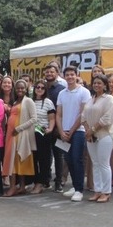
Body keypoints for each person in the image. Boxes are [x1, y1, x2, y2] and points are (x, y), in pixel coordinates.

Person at [55, 66, 91, 202]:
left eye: (72, 74)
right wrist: (61, 131)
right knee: (68, 160)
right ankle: (75, 186)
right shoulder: (62, 93)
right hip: (64, 132)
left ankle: (79, 189)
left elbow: (83, 114)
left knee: (77, 159)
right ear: (64, 76)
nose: (70, 77)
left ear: (77, 75)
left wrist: (71, 130)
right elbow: (58, 114)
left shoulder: (84, 92)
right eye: (67, 75)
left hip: (78, 132)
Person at [81, 74, 113, 203]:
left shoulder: (109, 99)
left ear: (105, 85)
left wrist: (93, 130)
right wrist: (87, 130)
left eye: (99, 83)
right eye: (95, 83)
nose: (97, 85)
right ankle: (98, 190)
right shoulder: (91, 99)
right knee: (95, 163)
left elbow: (107, 118)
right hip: (91, 136)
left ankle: (106, 192)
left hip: (104, 135)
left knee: (103, 164)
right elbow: (83, 116)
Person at [1, 80, 37, 197]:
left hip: (19, 135)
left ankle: (13, 187)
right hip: (11, 135)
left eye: (22, 88)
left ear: (26, 89)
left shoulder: (28, 101)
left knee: (16, 161)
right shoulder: (15, 101)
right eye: (18, 88)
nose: (20, 90)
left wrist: (19, 128)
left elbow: (33, 119)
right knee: (15, 161)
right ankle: (21, 187)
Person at [44, 64, 67, 192]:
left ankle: (59, 182)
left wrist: (61, 128)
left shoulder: (61, 89)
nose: (49, 74)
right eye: (47, 72)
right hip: (43, 128)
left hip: (58, 128)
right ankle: (45, 180)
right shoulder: (41, 87)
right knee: (46, 156)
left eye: (52, 72)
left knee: (59, 156)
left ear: (57, 73)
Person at [30, 80, 56, 194]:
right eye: (37, 87)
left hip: (43, 134)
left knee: (43, 160)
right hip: (31, 134)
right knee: (33, 159)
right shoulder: (30, 101)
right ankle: (36, 182)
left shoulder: (48, 102)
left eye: (42, 88)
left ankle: (42, 182)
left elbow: (51, 118)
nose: (39, 89)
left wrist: (50, 129)